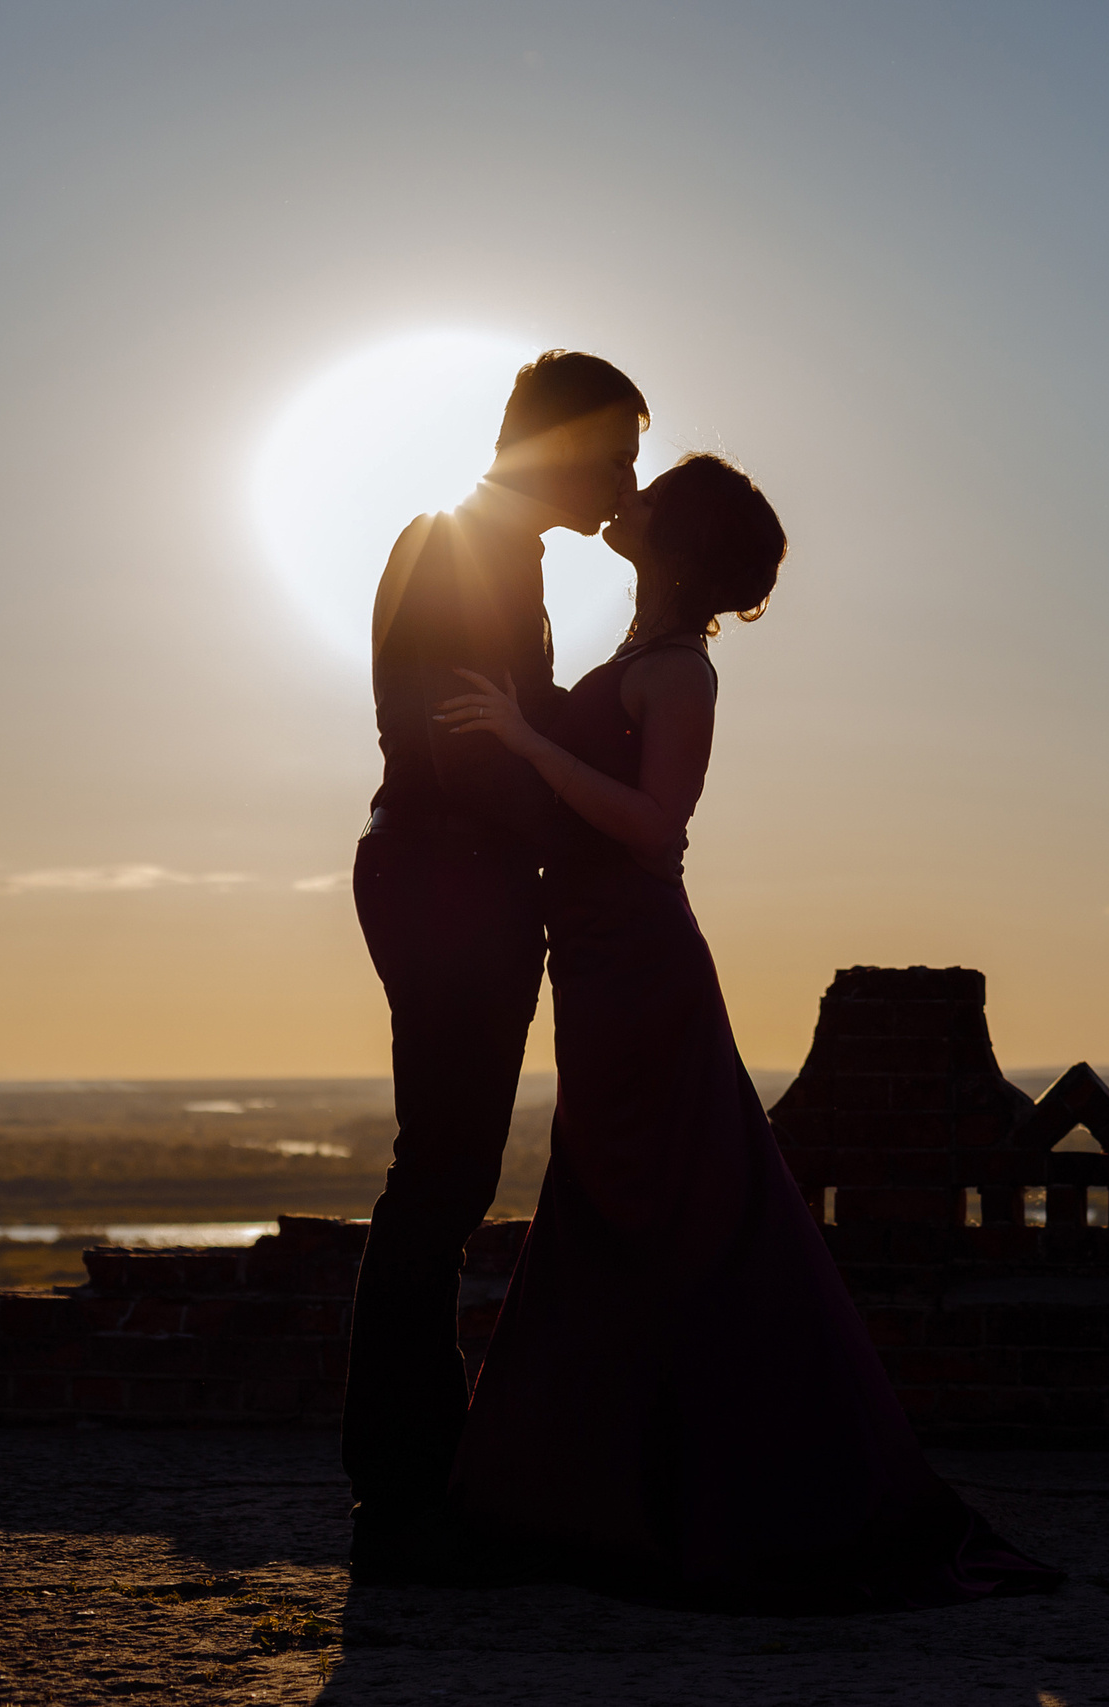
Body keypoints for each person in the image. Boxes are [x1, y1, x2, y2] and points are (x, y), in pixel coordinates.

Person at [432, 455, 1059, 1606]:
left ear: (676, 548)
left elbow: (653, 829)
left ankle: (695, 1504)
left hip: (640, 972)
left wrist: (526, 743)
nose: (630, 499)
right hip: (599, 969)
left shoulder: (679, 675)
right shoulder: (634, 657)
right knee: (609, 1211)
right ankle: (593, 1500)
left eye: (652, 495)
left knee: (667, 1214)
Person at [346, 351, 648, 1577]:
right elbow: (467, 753)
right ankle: (406, 1489)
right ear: (564, 445)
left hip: (448, 871)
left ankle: (415, 1473)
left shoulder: (490, 556)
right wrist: (595, 832)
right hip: (447, 872)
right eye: (618, 452)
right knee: (442, 1177)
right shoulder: (461, 552)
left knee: (446, 1174)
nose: (625, 480)